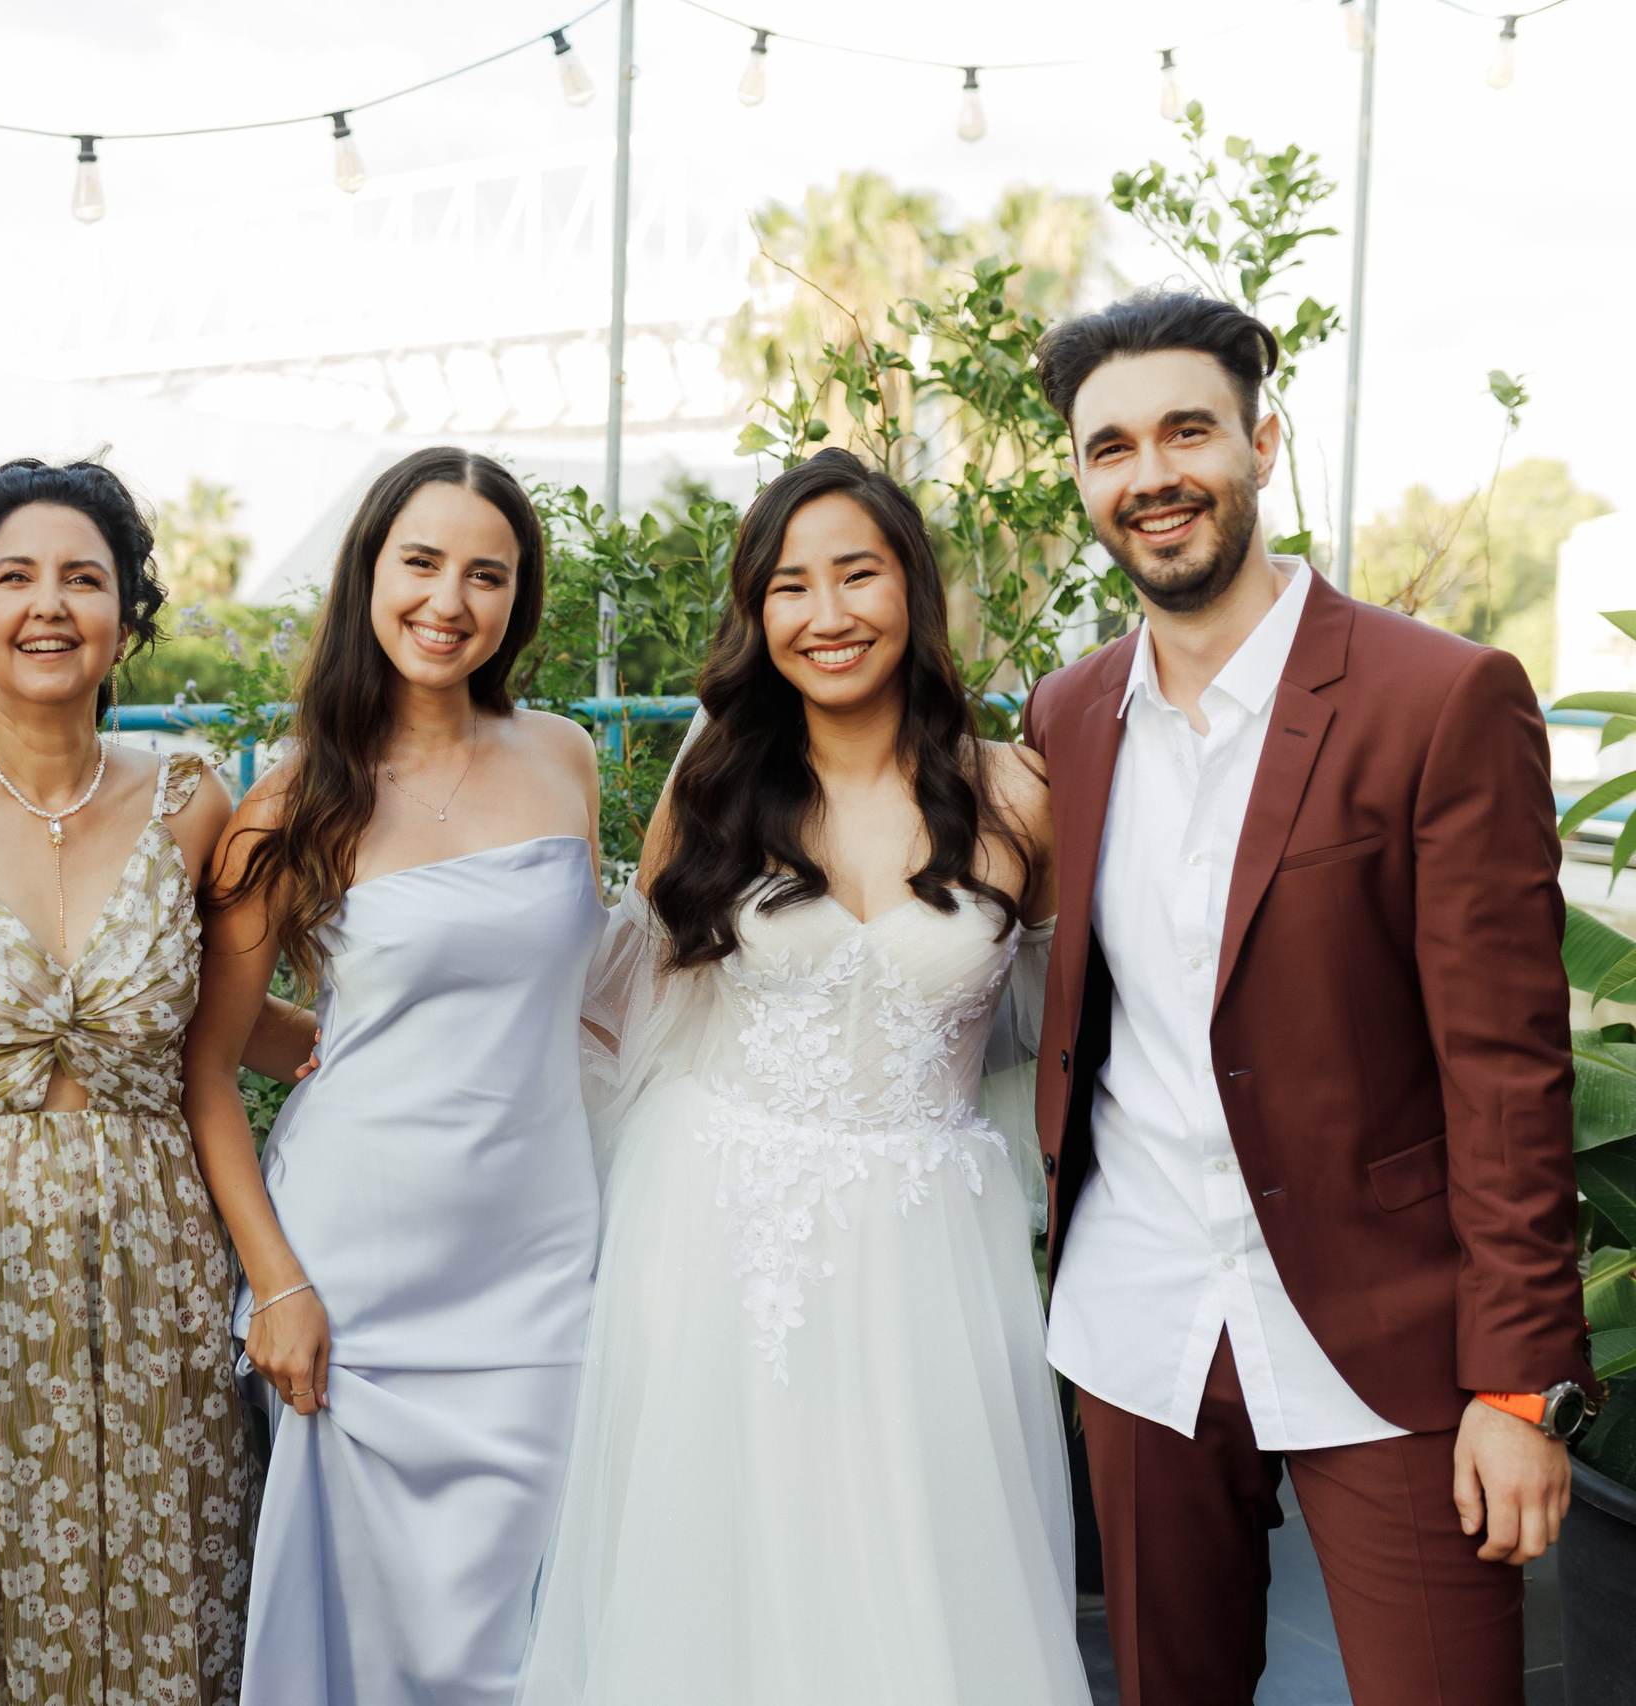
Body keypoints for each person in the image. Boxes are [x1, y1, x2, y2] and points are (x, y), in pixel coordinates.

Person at [1025, 289, 1593, 1706]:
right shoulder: (1067, 716)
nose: (1150, 473)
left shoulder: (1439, 697)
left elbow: (1508, 1067)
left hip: (1395, 1337)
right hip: (1139, 1320)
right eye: (1110, 448)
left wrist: (1522, 1387)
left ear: (1260, 443)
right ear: (1084, 479)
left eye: (1186, 431)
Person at [518, 447, 1087, 1703]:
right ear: (756, 612)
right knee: (722, 1564)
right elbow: (627, 1018)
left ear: (912, 590)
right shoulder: (712, 782)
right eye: (789, 585)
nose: (826, 614)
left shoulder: (1015, 798)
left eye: (856, 574)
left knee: (924, 1564)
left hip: (932, 1243)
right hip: (721, 1231)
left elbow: (1060, 1026)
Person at [0, 458, 315, 1706]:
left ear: (127, 617)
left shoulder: (196, 798)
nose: (49, 605)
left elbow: (236, 1028)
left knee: (159, 1585)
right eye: (15, 577)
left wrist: (440, 1051)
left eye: (83, 579)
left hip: (156, 1265)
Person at [182, 447, 604, 1705]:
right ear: (369, 570)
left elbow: (553, 996)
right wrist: (278, 1281)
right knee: (367, 1640)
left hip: (539, 1261)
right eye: (420, 562)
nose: (448, 600)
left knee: (532, 1632)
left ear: (516, 597)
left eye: (487, 573)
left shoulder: (566, 756)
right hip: (354, 1280)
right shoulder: (292, 799)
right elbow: (211, 1062)